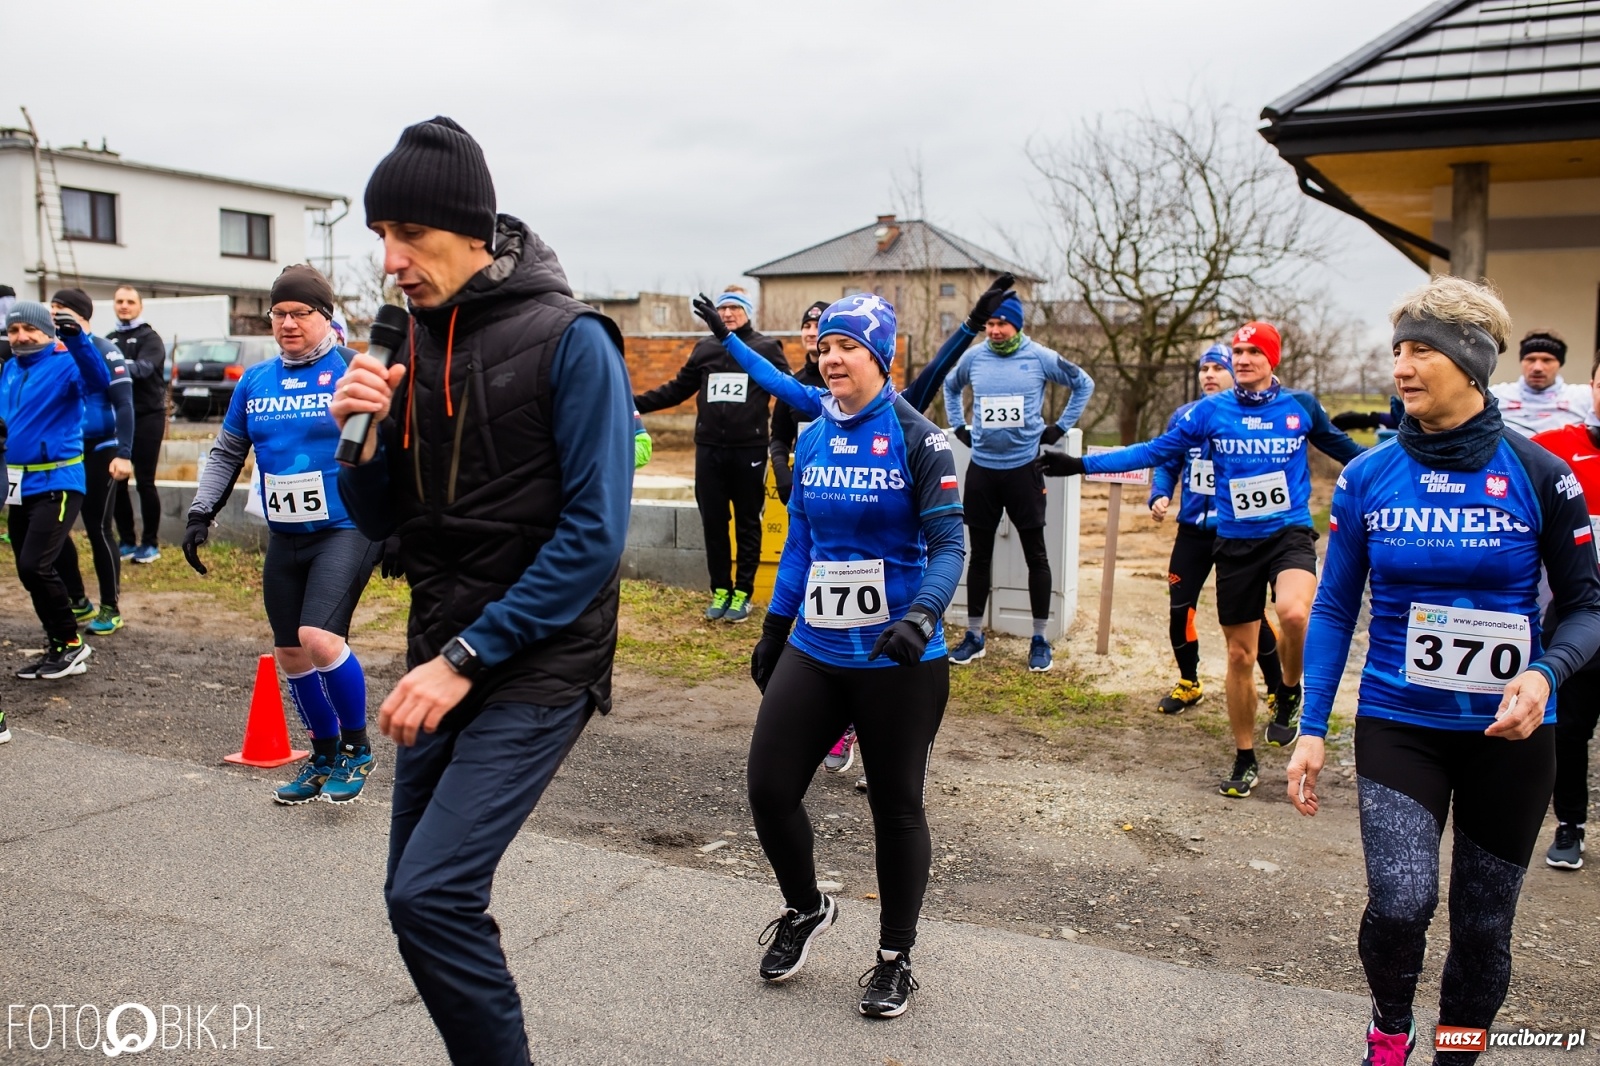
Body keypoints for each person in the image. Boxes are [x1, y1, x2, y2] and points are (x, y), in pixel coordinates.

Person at [330, 116, 633, 1065]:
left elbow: (595, 539)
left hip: (537, 664)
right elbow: (387, 517)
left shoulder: (574, 342)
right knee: (414, 901)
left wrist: (464, 661)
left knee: (433, 895)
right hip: (444, 648)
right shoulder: (412, 345)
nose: (391, 262)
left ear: (470, 230)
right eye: (380, 238)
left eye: (407, 237)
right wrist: (366, 441)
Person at [1287, 276, 1600, 1065]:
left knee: (1486, 922)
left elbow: (1589, 606)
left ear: (1469, 361)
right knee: (1400, 903)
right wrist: (1312, 727)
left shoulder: (1539, 473)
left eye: (1420, 350)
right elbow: (1331, 609)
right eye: (1397, 351)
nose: (1401, 367)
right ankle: (1390, 1030)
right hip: (1400, 723)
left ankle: (1458, 1052)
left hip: (1512, 732)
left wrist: (1546, 673)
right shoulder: (1367, 475)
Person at [691, 288, 964, 1018]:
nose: (831, 357)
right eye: (826, 346)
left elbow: (949, 545)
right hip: (816, 645)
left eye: (847, 347)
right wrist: (775, 629)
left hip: (899, 656)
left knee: (897, 808)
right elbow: (804, 545)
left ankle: (894, 958)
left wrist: (921, 615)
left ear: (881, 356)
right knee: (770, 787)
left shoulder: (919, 438)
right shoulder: (813, 434)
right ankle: (806, 907)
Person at [1041, 320, 1363, 796]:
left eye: (1254, 352)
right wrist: (1081, 464)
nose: (1243, 359)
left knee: (1295, 612)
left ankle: (1291, 691)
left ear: (1272, 359)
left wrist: (1408, 454)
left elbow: (1351, 454)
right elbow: (1155, 451)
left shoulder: (1301, 407)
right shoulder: (1210, 412)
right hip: (1234, 542)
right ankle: (1245, 756)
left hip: (1288, 532)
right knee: (1239, 654)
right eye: (1238, 351)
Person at [184, 265, 383, 806]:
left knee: (320, 639)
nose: (289, 323)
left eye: (301, 313)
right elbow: (228, 450)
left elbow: (393, 449)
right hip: (287, 534)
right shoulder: (255, 380)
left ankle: (357, 750)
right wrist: (201, 511)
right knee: (291, 653)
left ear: (326, 316)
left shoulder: (354, 369)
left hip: (347, 526)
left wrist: (400, 525)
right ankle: (321, 756)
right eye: (280, 313)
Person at [941, 289, 1094, 673]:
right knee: (979, 554)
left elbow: (1083, 383)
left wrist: (1060, 426)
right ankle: (975, 636)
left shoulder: (1038, 357)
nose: (993, 330)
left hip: (1024, 468)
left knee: (1035, 554)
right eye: (989, 324)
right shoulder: (974, 357)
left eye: (1001, 323)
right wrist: (959, 426)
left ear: (1017, 325)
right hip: (983, 470)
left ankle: (1040, 639)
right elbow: (949, 384)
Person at [634, 286, 790, 623]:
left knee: (748, 522)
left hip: (748, 450)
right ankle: (720, 588)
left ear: (749, 311)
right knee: (714, 523)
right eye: (723, 309)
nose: (729, 314)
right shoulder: (705, 348)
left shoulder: (765, 348)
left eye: (735, 307)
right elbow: (676, 390)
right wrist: (632, 402)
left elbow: (787, 390)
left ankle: (743, 594)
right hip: (708, 451)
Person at [1147, 344, 1283, 715]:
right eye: (1203, 369)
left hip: (1235, 535)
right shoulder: (1184, 416)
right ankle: (1189, 682)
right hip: (1192, 532)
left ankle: (1276, 689)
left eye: (1216, 368)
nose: (1208, 375)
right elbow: (1167, 461)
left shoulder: (1251, 416)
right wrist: (1160, 493)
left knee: (1249, 615)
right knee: (1180, 609)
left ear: (1233, 374)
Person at [1, 302, 112, 679]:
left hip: (58, 483)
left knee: (36, 564)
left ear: (47, 331)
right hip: (19, 485)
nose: (21, 337)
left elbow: (99, 382)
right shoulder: (10, 369)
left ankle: (71, 644)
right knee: (27, 570)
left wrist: (78, 340)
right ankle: (57, 645)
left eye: (28, 329)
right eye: (13, 330)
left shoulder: (67, 363)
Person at [1530, 364, 1600, 870]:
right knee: (1570, 728)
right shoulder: (1555, 446)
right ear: (1590, 387)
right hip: (1577, 612)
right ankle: (1570, 824)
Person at [48, 289, 135, 636]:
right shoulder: (52, 350)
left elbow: (125, 404)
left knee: (98, 528)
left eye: (62, 312)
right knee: (55, 528)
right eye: (52, 312)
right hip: (66, 451)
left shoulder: (104, 349)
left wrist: (124, 453)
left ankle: (111, 607)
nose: (55, 318)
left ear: (81, 315)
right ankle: (77, 598)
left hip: (102, 449)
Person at [105, 285, 167, 563]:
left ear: (140, 306)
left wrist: (114, 364)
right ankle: (127, 540)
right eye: (120, 301)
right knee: (116, 480)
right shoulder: (108, 339)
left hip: (148, 416)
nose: (125, 306)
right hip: (117, 418)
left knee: (145, 482)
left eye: (130, 301)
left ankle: (150, 543)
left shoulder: (151, 338)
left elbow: (143, 370)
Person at [768, 300, 830, 507]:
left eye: (818, 325)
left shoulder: (844, 380)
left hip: (841, 486)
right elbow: (779, 437)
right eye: (806, 326)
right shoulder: (794, 384)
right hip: (801, 488)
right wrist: (781, 470)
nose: (811, 332)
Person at [1488, 328, 1587, 437]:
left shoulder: (1583, 397)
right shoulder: (1496, 395)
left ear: (1560, 364)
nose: (1537, 368)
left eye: (1547, 360)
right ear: (1522, 361)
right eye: (1531, 359)